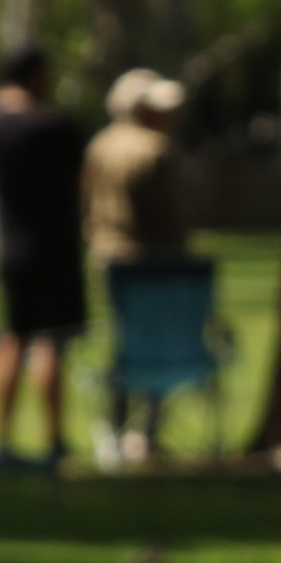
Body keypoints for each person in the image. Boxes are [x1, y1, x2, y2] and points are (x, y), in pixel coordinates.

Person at [84, 65, 191, 462]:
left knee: (123, 342)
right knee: (153, 346)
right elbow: (169, 217)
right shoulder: (154, 149)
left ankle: (115, 426)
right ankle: (145, 431)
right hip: (152, 262)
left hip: (107, 258)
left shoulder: (99, 145)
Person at [0, 42, 85, 469]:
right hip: (52, 246)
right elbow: (79, 181)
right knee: (50, 341)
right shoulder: (53, 125)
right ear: (36, 74)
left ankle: (3, 439)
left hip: (9, 247)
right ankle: (54, 439)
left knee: (14, 338)